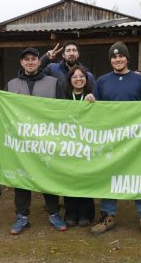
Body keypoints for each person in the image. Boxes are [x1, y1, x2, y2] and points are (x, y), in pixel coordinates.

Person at [0, 47, 67, 235]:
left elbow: (64, 110)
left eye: (34, 59)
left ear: (39, 62)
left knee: (49, 177)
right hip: (21, 144)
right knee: (21, 178)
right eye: (26, 59)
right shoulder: (11, 85)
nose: (30, 62)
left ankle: (53, 213)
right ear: (21, 63)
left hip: (47, 142)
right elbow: (3, 112)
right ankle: (22, 216)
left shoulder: (53, 83)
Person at [85, 41, 141, 238]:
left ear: (127, 58)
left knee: (139, 175)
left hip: (136, 140)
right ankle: (107, 216)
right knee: (110, 175)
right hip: (111, 140)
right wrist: (89, 100)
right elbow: (95, 111)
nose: (118, 59)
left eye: (121, 56)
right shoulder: (102, 81)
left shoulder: (139, 80)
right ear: (111, 60)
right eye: (114, 57)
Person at [63, 65, 95, 227]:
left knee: (85, 178)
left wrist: (95, 103)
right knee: (69, 179)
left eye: (81, 76)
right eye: (74, 77)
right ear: (70, 80)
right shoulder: (63, 98)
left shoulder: (92, 97)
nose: (78, 79)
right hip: (68, 145)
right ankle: (70, 212)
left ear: (86, 78)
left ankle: (85, 213)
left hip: (87, 145)